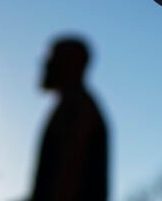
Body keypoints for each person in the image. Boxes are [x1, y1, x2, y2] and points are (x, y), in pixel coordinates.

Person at [30, 37, 109, 201]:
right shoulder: (75, 106)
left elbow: (67, 176)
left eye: (53, 58)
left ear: (74, 64)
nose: (46, 64)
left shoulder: (77, 108)